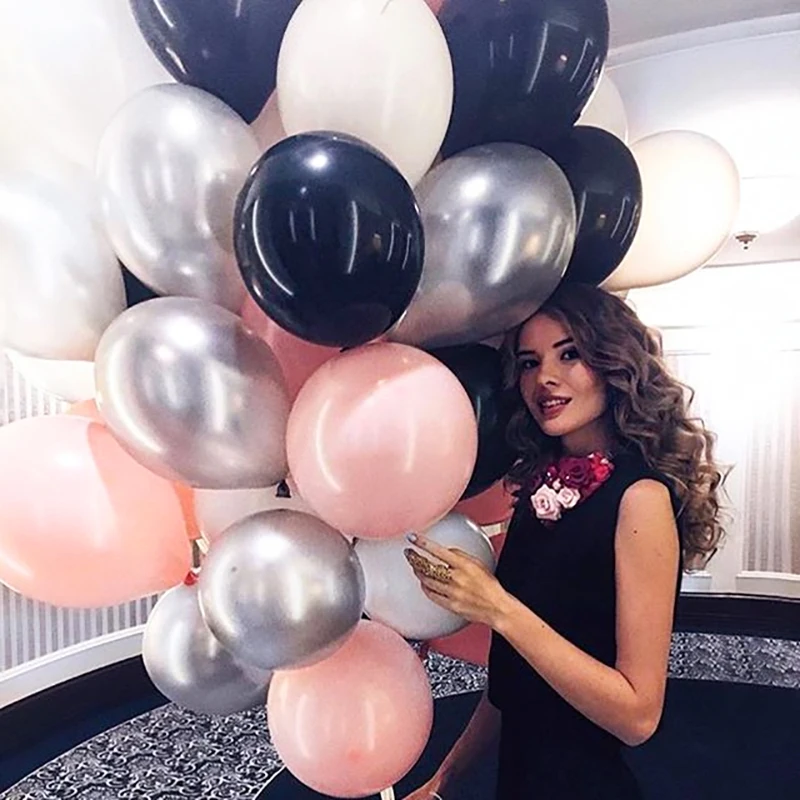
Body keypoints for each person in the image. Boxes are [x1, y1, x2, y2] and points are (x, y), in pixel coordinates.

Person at [403, 283, 726, 799]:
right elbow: (514, 677)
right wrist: (443, 779)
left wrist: (498, 608)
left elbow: (638, 717)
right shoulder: (540, 490)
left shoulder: (639, 499)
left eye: (569, 354)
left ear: (614, 364)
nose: (545, 378)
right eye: (529, 363)